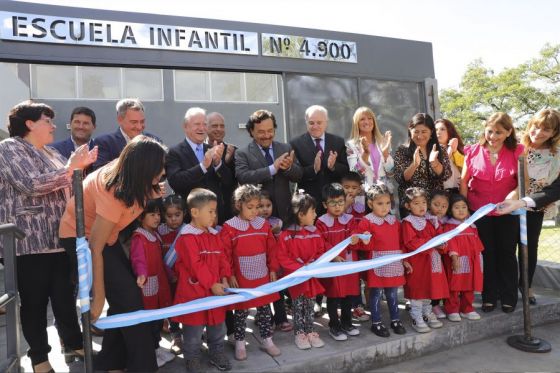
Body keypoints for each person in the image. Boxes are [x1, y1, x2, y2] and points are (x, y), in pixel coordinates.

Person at [0, 101, 96, 373]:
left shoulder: (51, 152)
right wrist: (71, 169)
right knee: (34, 304)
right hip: (29, 243)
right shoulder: (9, 148)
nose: (54, 126)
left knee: (66, 299)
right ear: (29, 123)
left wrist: (82, 169)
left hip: (59, 239)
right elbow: (29, 185)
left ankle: (74, 345)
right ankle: (40, 359)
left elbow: (69, 185)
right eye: (47, 120)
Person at [59, 135, 166, 372]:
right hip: (83, 238)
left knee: (126, 300)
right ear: (144, 169)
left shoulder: (130, 176)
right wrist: (98, 298)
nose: (162, 172)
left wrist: (152, 190)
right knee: (130, 302)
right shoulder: (113, 192)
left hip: (106, 237)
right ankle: (144, 367)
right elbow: (94, 248)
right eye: (159, 168)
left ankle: (109, 363)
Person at [460, 112, 524, 313]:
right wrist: (463, 211)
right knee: (488, 254)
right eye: (490, 131)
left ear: (508, 132)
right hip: (479, 213)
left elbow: (523, 183)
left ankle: (509, 297)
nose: (493, 136)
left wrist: (511, 199)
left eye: (499, 132)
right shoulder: (472, 152)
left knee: (507, 254)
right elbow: (463, 182)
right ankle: (489, 296)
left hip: (507, 213)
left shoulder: (517, 151)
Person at [170, 188, 232, 372]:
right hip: (194, 294)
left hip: (216, 292)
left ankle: (217, 353)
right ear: (195, 212)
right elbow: (195, 265)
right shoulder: (187, 237)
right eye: (210, 211)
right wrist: (212, 283)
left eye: (215, 211)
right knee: (193, 331)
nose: (214, 215)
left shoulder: (214, 235)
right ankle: (192, 358)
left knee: (218, 327)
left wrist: (224, 278)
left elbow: (223, 258)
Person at [220, 184, 281, 361]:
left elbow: (272, 249)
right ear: (239, 205)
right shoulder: (230, 227)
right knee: (241, 311)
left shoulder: (263, 225)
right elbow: (225, 255)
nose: (255, 211)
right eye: (250, 207)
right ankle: (239, 342)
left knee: (264, 309)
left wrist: (272, 269)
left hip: (263, 275)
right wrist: (229, 274)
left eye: (258, 207)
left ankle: (267, 340)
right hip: (240, 279)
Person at [357, 184, 411, 337]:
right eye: (380, 203)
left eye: (387, 203)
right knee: (376, 294)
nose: (384, 207)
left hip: (394, 262)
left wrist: (404, 258)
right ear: (370, 204)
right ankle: (376, 322)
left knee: (392, 293)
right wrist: (365, 241)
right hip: (377, 263)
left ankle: (395, 320)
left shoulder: (394, 220)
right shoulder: (366, 221)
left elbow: (402, 242)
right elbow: (360, 243)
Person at [167, 107, 234, 225]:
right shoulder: (175, 152)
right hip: (190, 218)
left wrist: (218, 164)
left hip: (216, 218)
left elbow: (228, 182)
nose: (202, 128)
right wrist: (202, 166)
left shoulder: (213, 150)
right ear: (185, 126)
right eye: (197, 124)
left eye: (204, 124)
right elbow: (176, 181)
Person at [277, 192, 326, 350]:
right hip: (297, 277)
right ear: (301, 214)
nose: (315, 214)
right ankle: (300, 334)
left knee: (310, 304)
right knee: (298, 305)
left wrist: (314, 265)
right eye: (313, 211)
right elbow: (282, 257)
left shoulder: (315, 232)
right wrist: (300, 269)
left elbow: (321, 250)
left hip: (310, 275)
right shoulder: (286, 235)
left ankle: (311, 331)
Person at [315, 183, 364, 341]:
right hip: (333, 265)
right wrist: (334, 256)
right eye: (333, 203)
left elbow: (353, 233)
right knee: (333, 296)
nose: (337, 206)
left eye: (341, 202)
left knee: (348, 296)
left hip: (348, 264)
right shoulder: (321, 222)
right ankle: (334, 326)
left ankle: (347, 323)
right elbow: (321, 243)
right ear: (324, 204)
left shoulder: (349, 219)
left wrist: (356, 237)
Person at [129, 199, 175, 368]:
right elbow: (137, 259)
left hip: (159, 283)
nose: (157, 218)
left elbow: (162, 261)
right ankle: (151, 352)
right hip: (148, 284)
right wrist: (141, 273)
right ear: (141, 217)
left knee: (157, 319)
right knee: (149, 322)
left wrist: (170, 274)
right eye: (152, 214)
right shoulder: (139, 238)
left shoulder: (155, 236)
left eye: (158, 214)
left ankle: (156, 348)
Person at [235, 109, 303, 222]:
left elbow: (299, 175)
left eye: (270, 130)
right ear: (251, 131)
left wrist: (288, 168)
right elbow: (243, 177)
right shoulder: (242, 153)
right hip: (257, 216)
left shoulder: (286, 149)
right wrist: (272, 169)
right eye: (261, 132)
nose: (267, 135)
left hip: (285, 214)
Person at [401, 187, 448, 333]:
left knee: (430, 287)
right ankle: (416, 316)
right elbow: (410, 242)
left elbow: (440, 235)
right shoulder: (408, 222)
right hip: (418, 260)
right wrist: (432, 242)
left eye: (423, 202)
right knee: (418, 288)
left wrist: (442, 243)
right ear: (408, 206)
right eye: (416, 203)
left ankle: (427, 313)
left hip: (432, 259)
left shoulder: (432, 220)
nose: (421, 206)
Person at [290, 105, 349, 215]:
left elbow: (346, 171)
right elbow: (295, 174)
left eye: (319, 122)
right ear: (306, 123)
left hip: (334, 201)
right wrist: (313, 169)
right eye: (311, 123)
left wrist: (333, 166)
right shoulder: (295, 144)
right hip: (309, 202)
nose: (315, 126)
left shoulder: (338, 141)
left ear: (326, 122)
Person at [394, 113, 452, 217]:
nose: (420, 136)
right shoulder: (402, 150)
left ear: (431, 132)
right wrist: (415, 164)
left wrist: (435, 163)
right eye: (416, 132)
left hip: (435, 206)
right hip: (412, 207)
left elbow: (446, 175)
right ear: (410, 131)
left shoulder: (440, 150)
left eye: (424, 131)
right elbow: (400, 178)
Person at [442, 194, 484, 322]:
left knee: (469, 285)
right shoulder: (449, 226)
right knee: (454, 285)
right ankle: (452, 309)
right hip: (457, 260)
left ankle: (467, 309)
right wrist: (455, 259)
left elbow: (477, 243)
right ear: (450, 210)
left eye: (463, 207)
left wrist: (479, 259)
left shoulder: (471, 225)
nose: (461, 210)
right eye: (456, 207)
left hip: (472, 261)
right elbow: (451, 244)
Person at [258, 190, 292, 332]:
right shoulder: (254, 223)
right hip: (260, 263)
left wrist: (276, 232)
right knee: (263, 294)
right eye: (261, 206)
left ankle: (281, 319)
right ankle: (265, 318)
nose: (265, 209)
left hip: (275, 264)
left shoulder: (277, 222)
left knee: (278, 291)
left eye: (268, 205)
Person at [93, 98, 160, 169]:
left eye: (142, 121)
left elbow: (163, 171)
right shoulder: (104, 143)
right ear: (120, 120)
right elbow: (100, 173)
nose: (139, 127)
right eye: (134, 122)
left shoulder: (155, 141)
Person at [158, 195, 186, 354]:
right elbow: (157, 257)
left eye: (177, 215)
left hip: (184, 278)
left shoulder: (188, 230)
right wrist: (169, 273)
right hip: (168, 278)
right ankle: (176, 336)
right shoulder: (160, 231)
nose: (174, 219)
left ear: (185, 213)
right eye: (169, 216)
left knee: (187, 307)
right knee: (171, 308)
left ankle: (190, 334)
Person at [340, 172, 369, 322]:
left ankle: (359, 304)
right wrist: (346, 205)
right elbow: (338, 217)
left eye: (354, 188)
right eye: (346, 187)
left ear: (359, 189)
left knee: (359, 276)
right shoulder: (338, 201)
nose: (350, 191)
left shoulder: (362, 201)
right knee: (348, 277)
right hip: (344, 246)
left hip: (359, 245)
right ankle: (347, 305)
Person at [346, 107, 394, 188]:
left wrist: (385, 154)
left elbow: (391, 173)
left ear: (374, 121)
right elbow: (354, 175)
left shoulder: (383, 142)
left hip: (384, 194)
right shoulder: (351, 145)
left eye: (369, 118)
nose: (367, 122)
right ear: (356, 123)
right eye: (362, 119)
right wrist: (365, 154)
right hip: (363, 196)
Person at [207, 111, 237, 220]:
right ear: (206, 127)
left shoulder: (233, 151)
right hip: (204, 213)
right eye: (214, 126)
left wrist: (224, 163)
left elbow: (231, 181)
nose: (219, 129)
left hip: (228, 212)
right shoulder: (199, 151)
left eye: (222, 126)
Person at [427, 190, 450, 319]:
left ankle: (439, 304)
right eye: (436, 204)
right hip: (427, 256)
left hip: (442, 255)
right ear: (429, 203)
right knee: (430, 281)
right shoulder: (424, 219)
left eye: (444, 206)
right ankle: (430, 305)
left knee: (440, 281)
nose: (440, 209)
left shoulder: (447, 221)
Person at [435, 118, 465, 193]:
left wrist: (454, 151)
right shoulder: (431, 151)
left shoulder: (458, 149)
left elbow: (464, 166)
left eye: (442, 129)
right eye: (436, 130)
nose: (438, 132)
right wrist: (449, 151)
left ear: (449, 131)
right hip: (439, 194)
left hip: (456, 193)